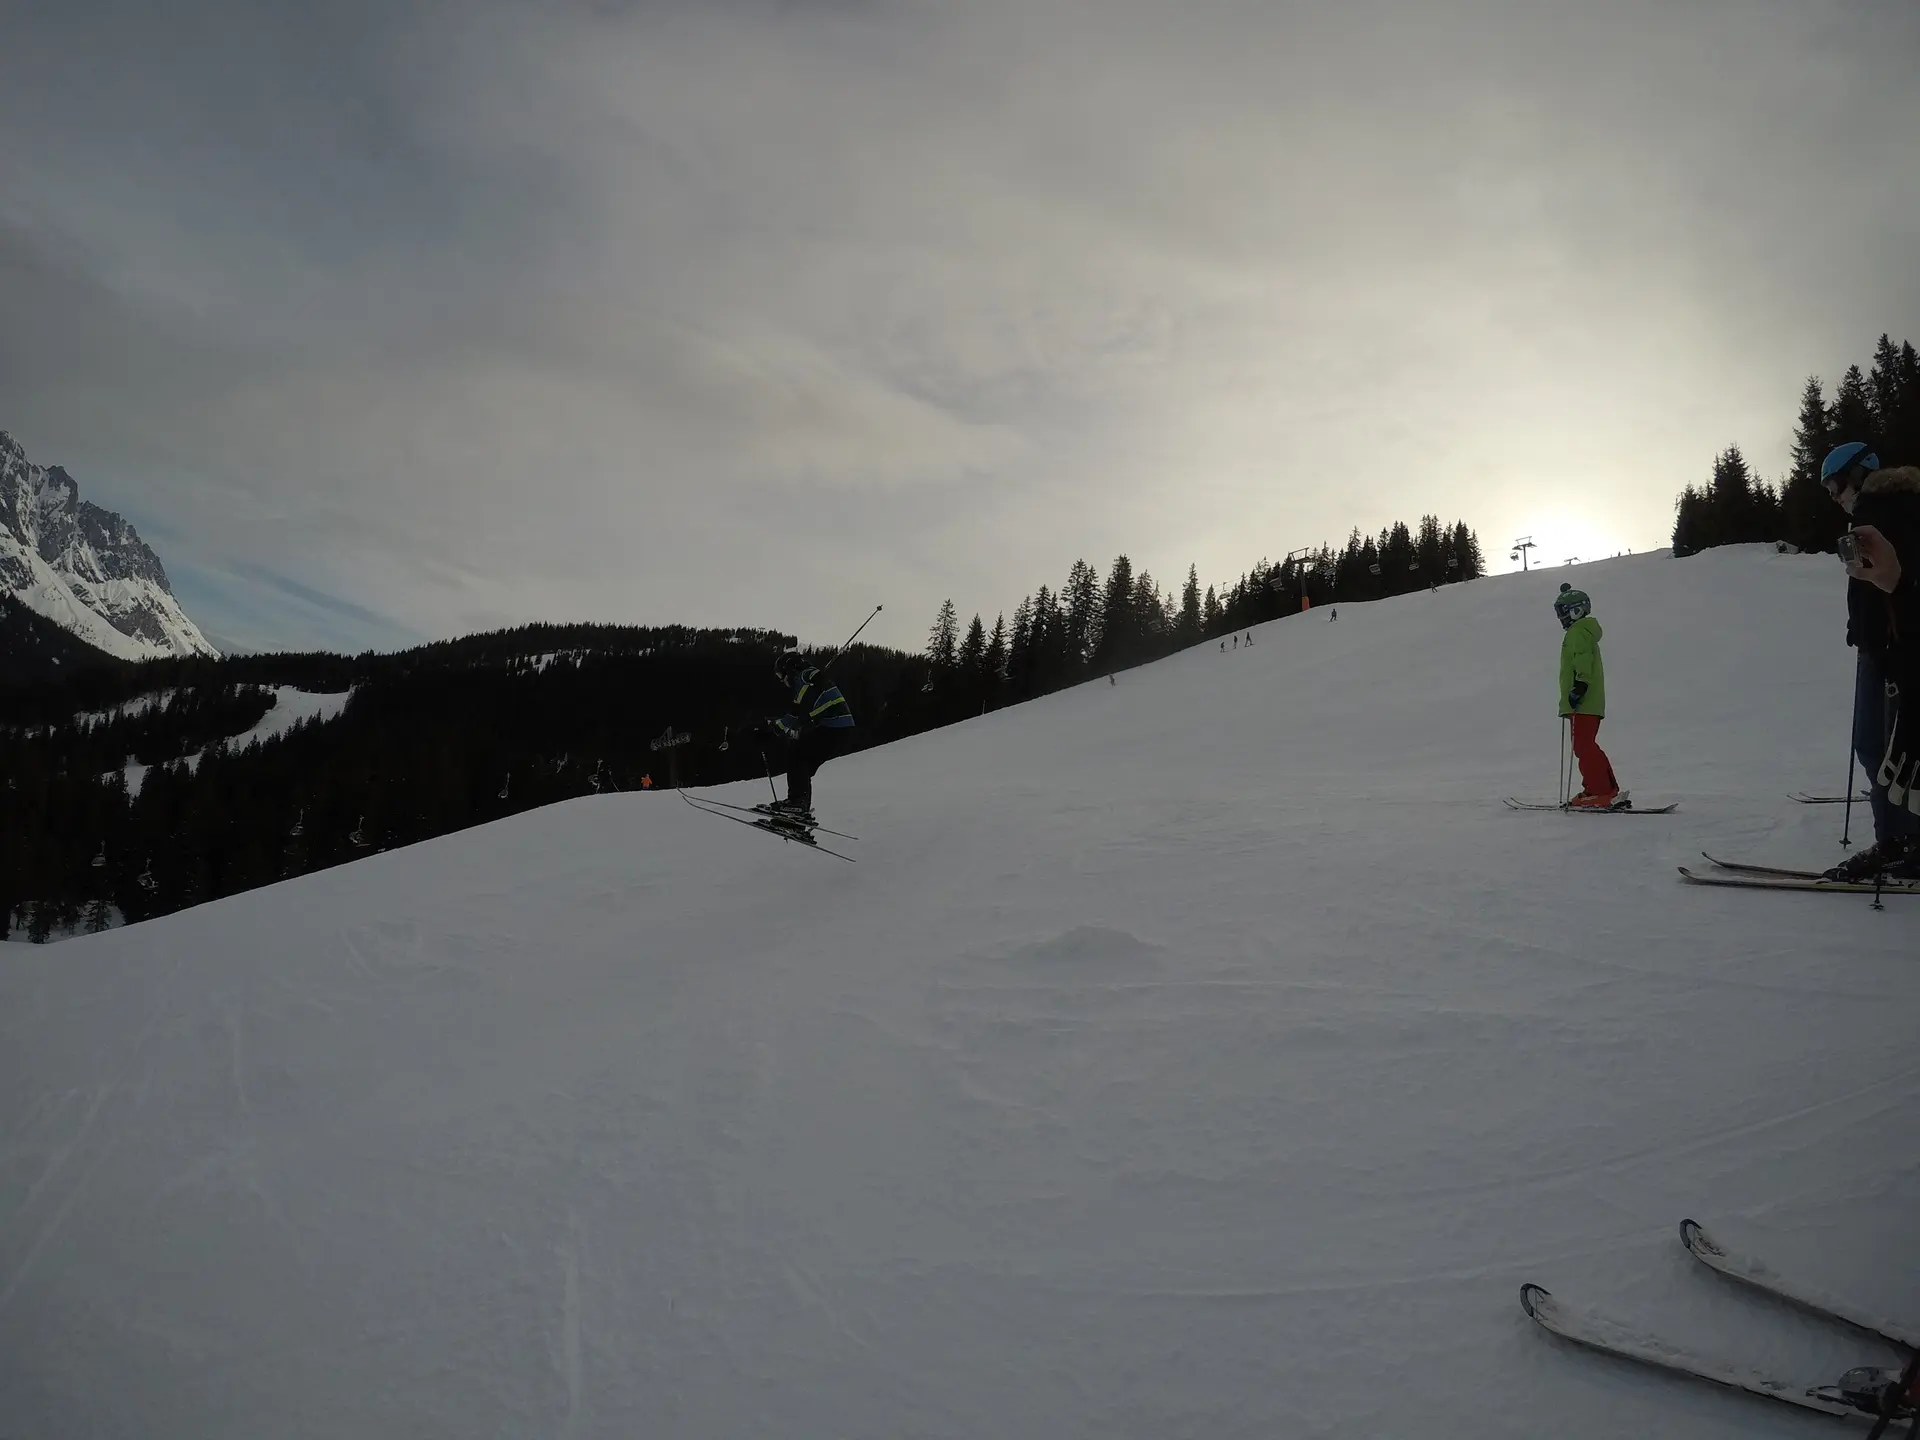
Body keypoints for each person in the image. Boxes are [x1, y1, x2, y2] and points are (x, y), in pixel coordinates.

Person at [1822, 442, 1920, 880]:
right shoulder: (1880, 514)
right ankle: (1900, 840)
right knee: (1882, 746)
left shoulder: (1886, 513)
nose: (1833, 496)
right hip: (1879, 647)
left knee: (1886, 748)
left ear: (1858, 474)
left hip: (1890, 651)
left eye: (1835, 485)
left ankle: (1902, 843)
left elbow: (1893, 583)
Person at [766, 650, 856, 820]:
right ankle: (798, 812)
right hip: (839, 727)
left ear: (789, 669)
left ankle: (797, 804)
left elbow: (797, 712)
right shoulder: (809, 677)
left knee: (796, 754)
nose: (782, 681)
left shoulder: (803, 677)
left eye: (781, 675)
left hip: (835, 727)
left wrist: (776, 728)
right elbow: (806, 712)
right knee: (802, 762)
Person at [1555, 583, 1622, 809]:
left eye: (1563, 611)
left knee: (1583, 746)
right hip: (1587, 701)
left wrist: (1579, 687)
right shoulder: (1583, 631)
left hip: (1583, 700)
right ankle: (1604, 789)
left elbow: (1583, 659)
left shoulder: (1579, 632)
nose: (1561, 617)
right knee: (1585, 745)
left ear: (1576, 610)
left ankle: (1599, 791)